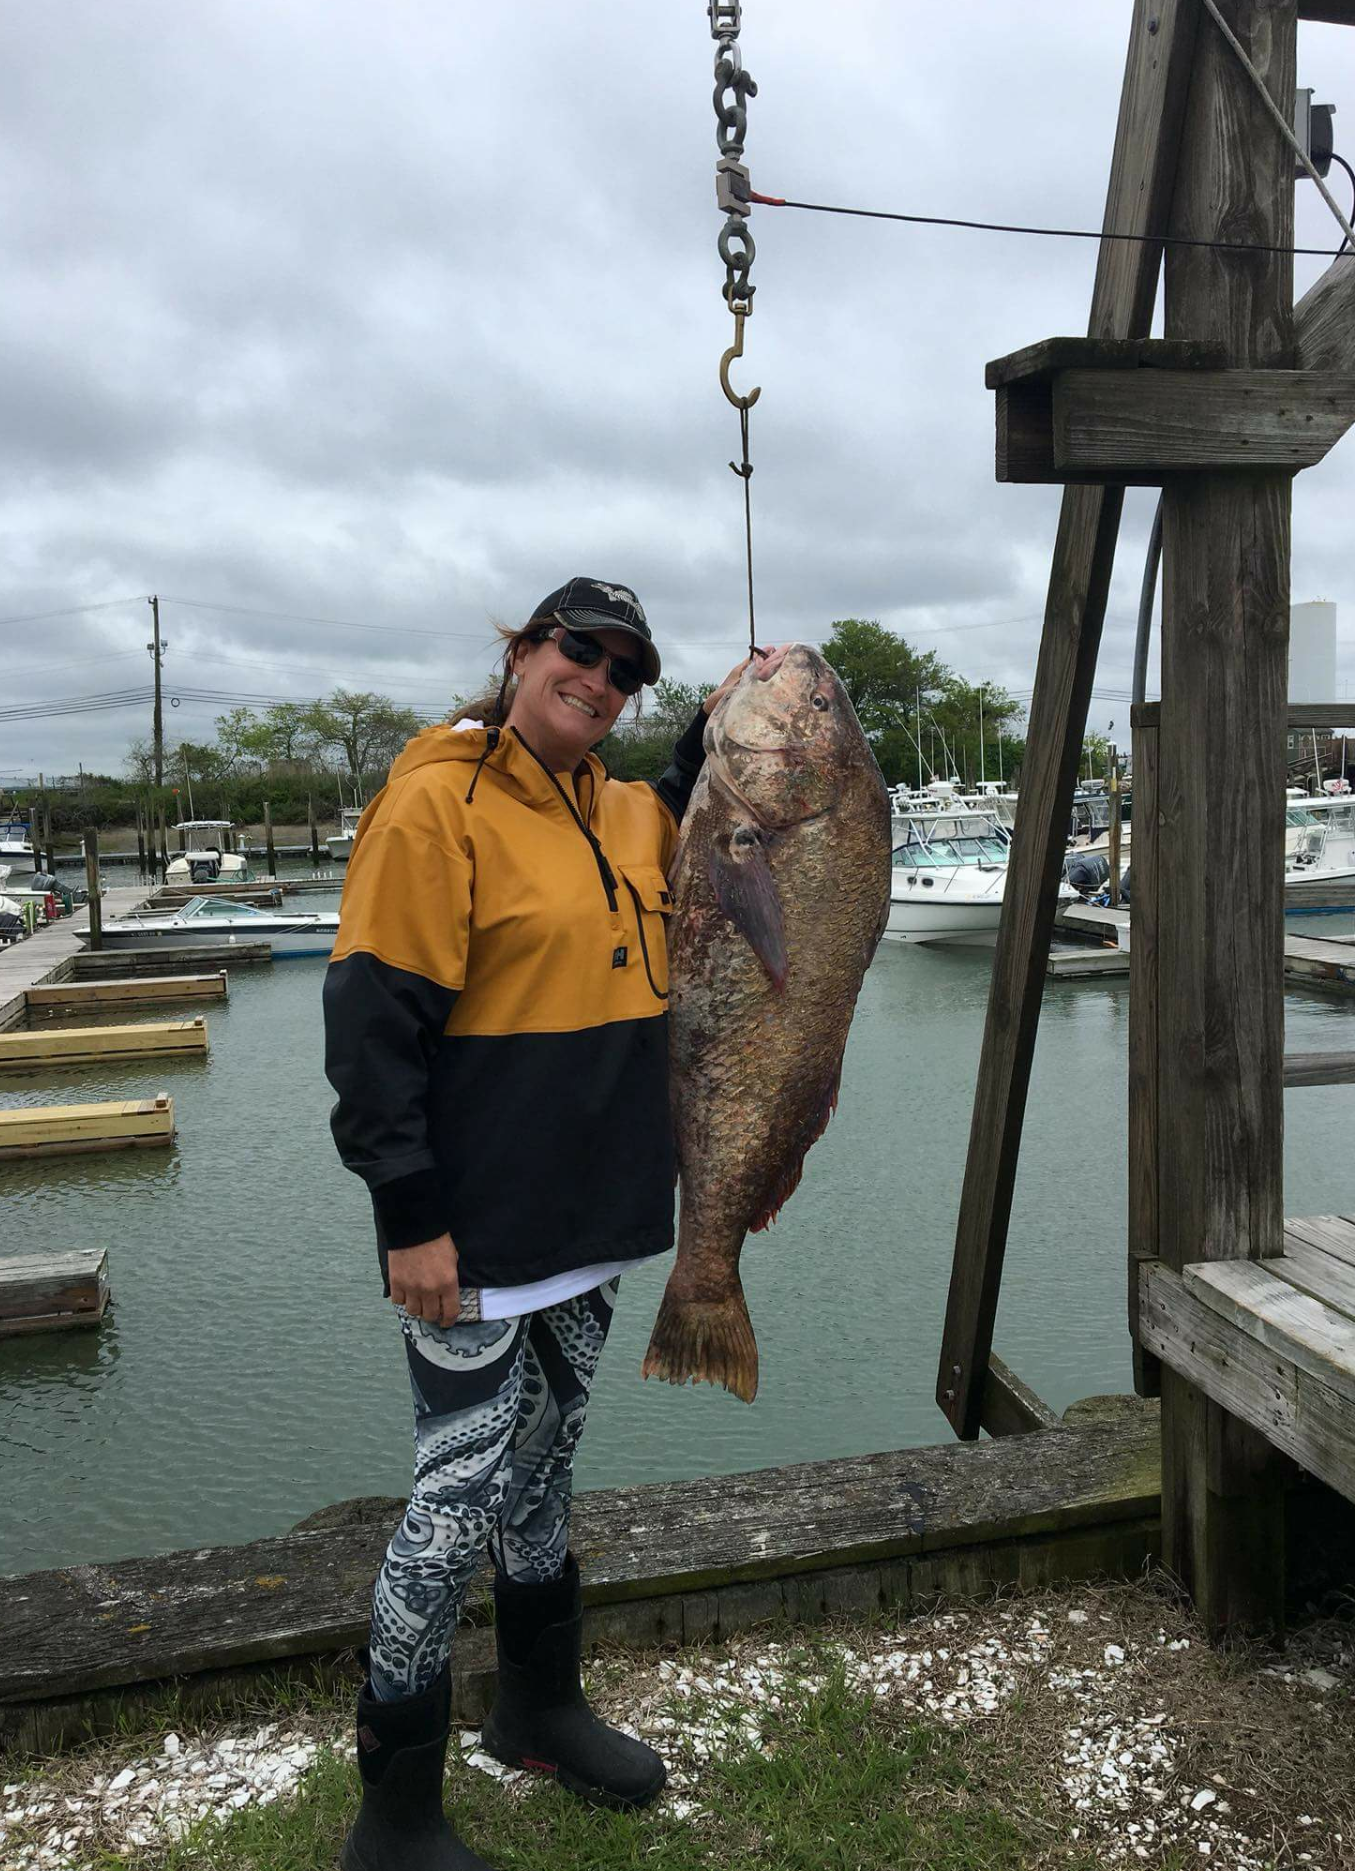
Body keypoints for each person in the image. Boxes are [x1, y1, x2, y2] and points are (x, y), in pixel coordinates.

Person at [324, 577, 774, 1870]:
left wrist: (723, 718)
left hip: (593, 1224)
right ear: (520, 652)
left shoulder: (628, 810)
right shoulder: (435, 800)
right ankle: (395, 1809)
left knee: (545, 1469)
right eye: (576, 647)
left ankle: (537, 1706)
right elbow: (369, 1027)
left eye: (622, 666)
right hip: (467, 1236)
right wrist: (407, 1215)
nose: (597, 675)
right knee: (450, 1501)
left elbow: (700, 803)